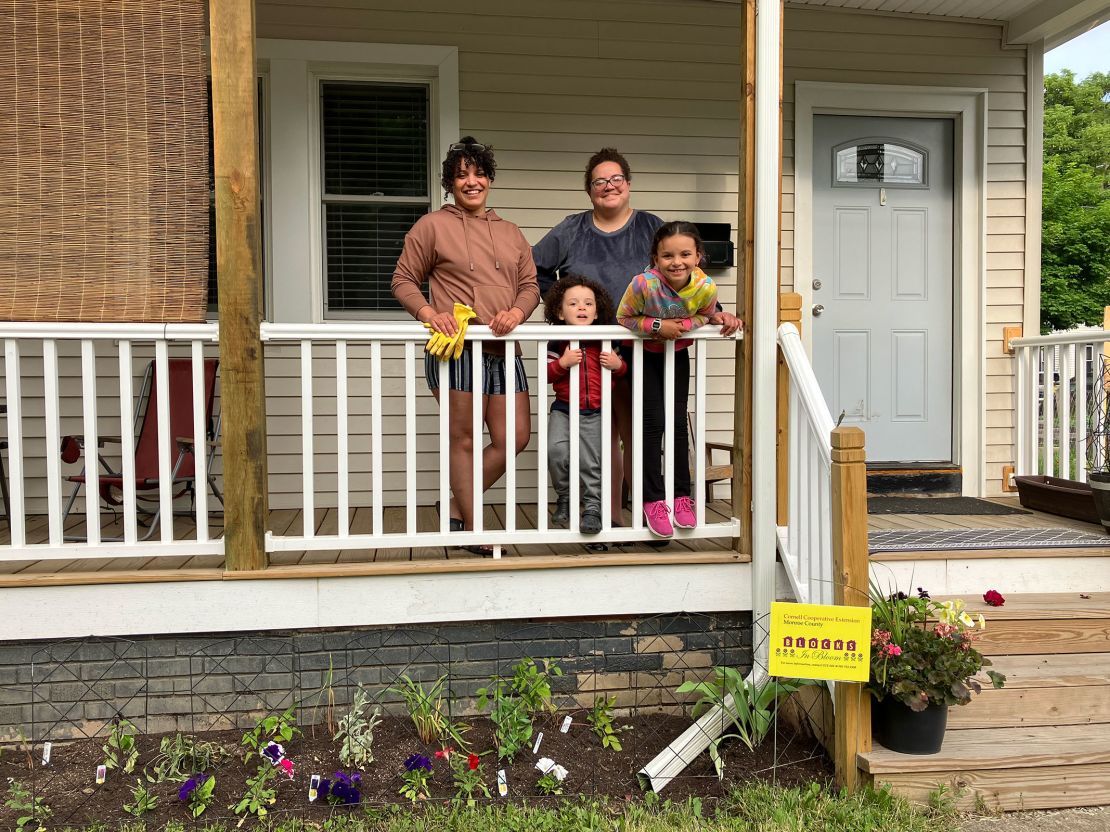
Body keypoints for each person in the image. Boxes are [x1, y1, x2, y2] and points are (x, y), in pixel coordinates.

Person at [533, 148, 741, 521]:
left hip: (645, 345)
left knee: (641, 429)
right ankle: (606, 516)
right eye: (599, 181)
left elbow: (683, 280)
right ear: (589, 189)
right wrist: (560, 306)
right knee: (599, 435)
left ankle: (649, 510)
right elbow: (535, 268)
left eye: (616, 179)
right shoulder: (571, 229)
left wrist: (717, 312)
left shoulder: (649, 226)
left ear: (628, 184)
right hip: (592, 348)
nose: (608, 186)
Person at [391, 137, 540, 554]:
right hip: (457, 350)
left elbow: (530, 286)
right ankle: (474, 529)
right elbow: (403, 281)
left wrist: (517, 313)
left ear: (489, 178)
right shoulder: (432, 226)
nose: (471, 182)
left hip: (503, 350)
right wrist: (428, 314)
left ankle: (456, 505)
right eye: (461, 175)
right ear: (450, 183)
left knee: (514, 438)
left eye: (478, 173)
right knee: (465, 440)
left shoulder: (510, 233)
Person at [617, 221, 718, 539]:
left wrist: (687, 324)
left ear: (698, 255)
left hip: (678, 353)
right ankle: (652, 499)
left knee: (676, 423)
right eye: (668, 256)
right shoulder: (643, 284)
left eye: (685, 254)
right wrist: (659, 326)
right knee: (651, 423)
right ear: (656, 258)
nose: (677, 262)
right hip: (645, 354)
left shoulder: (705, 286)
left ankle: (680, 496)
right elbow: (623, 317)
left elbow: (706, 313)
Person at [542, 275, 626, 535]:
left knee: (591, 462)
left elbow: (621, 370)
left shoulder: (607, 340)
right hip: (564, 409)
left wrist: (618, 366)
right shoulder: (558, 342)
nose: (581, 308)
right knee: (556, 453)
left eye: (588, 304)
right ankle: (565, 497)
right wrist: (562, 363)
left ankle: (592, 507)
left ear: (597, 310)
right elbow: (546, 374)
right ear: (559, 311)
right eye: (574, 303)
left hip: (595, 411)